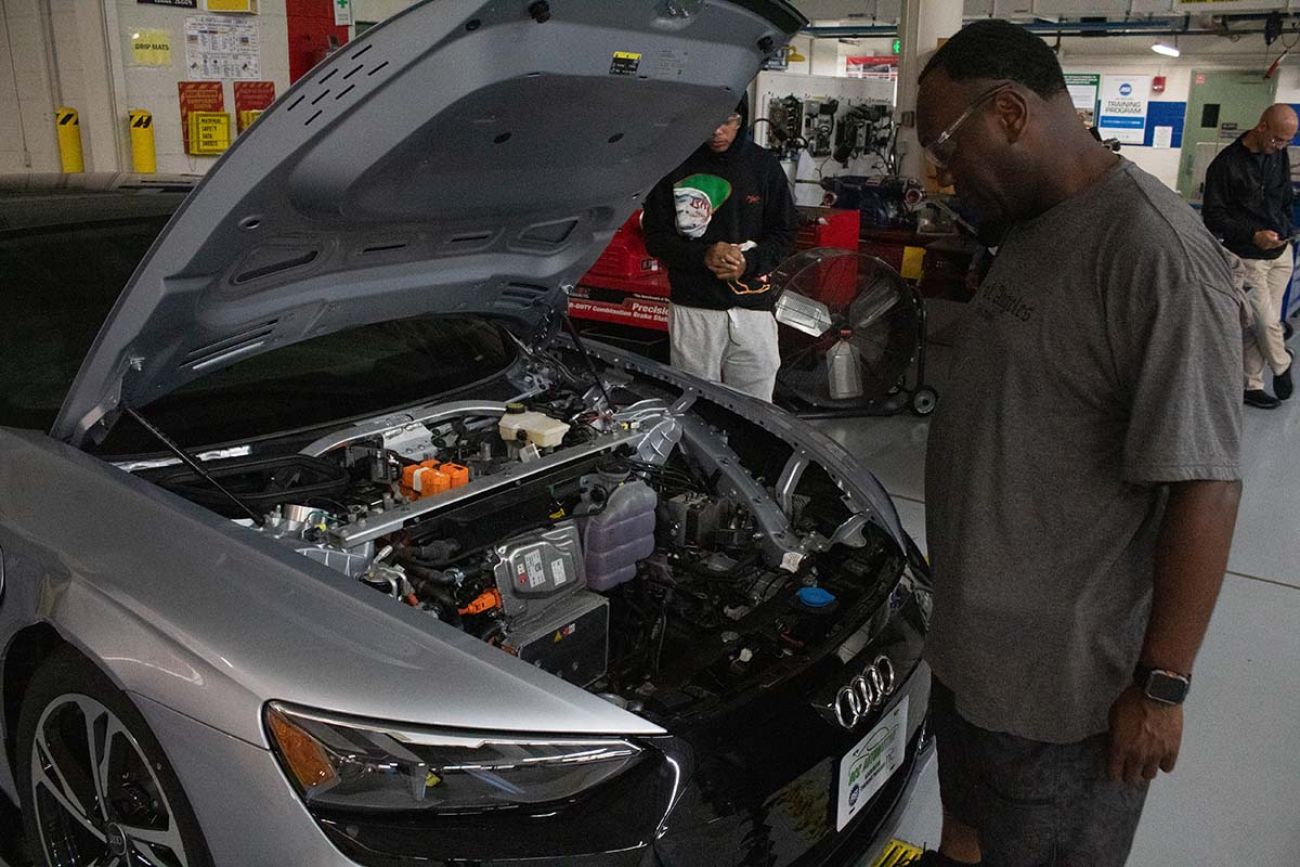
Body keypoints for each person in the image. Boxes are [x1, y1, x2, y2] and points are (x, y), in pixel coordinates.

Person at [908, 20, 1244, 867]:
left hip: (1066, 697)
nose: (943, 176)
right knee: (966, 837)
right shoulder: (1030, 224)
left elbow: (1207, 485)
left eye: (945, 148)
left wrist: (1162, 687)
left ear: (1011, 113)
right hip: (971, 655)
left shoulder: (1155, 255)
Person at [641, 99, 796, 402]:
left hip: (753, 309)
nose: (717, 131)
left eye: (728, 120)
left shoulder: (763, 167)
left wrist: (748, 263)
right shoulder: (674, 165)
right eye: (709, 120)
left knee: (756, 409)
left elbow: (785, 233)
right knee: (694, 405)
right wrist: (703, 256)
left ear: (743, 119)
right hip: (694, 309)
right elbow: (656, 237)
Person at [1202, 103, 1298, 410]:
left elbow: (1283, 198)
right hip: (1248, 257)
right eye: (1277, 140)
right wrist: (1253, 235)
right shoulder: (1225, 164)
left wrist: (1283, 228)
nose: (1281, 147)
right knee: (1265, 320)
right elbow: (1213, 216)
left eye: (1287, 142)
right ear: (1262, 127)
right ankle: (1283, 364)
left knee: (1262, 325)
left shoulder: (1278, 156)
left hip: (1281, 253)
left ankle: (1251, 384)